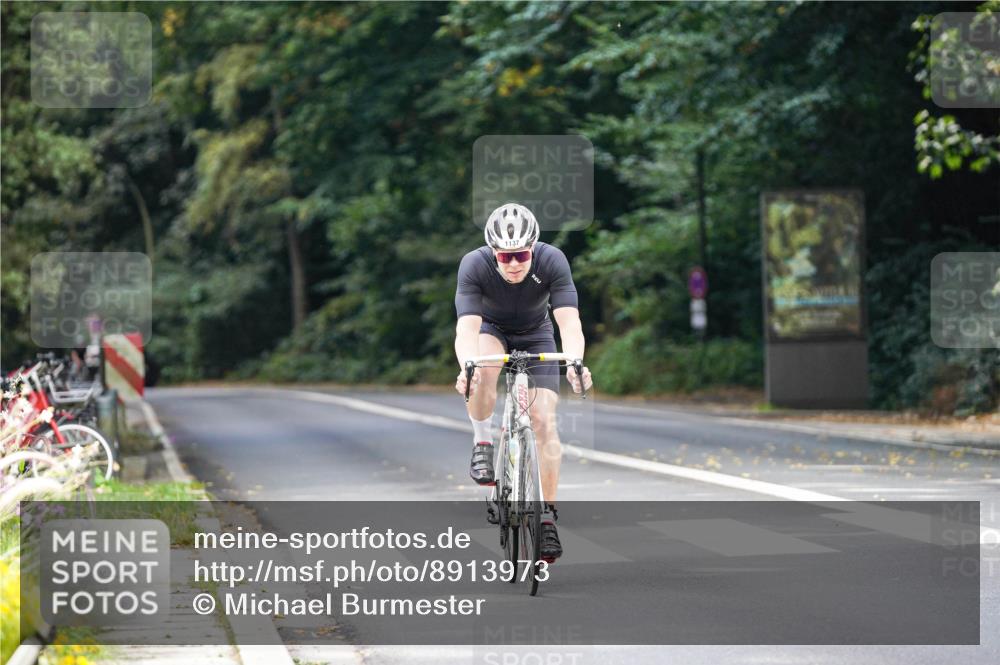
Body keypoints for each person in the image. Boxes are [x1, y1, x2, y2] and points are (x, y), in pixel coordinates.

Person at [453, 202, 593, 562]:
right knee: (481, 373)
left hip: (536, 333)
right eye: (505, 257)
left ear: (533, 249)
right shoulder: (474, 264)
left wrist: (576, 362)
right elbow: (466, 327)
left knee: (545, 421)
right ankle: (482, 441)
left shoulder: (553, 261)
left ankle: (546, 518)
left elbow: (569, 322)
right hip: (492, 330)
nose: (513, 264)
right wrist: (465, 366)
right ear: (493, 253)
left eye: (521, 255)